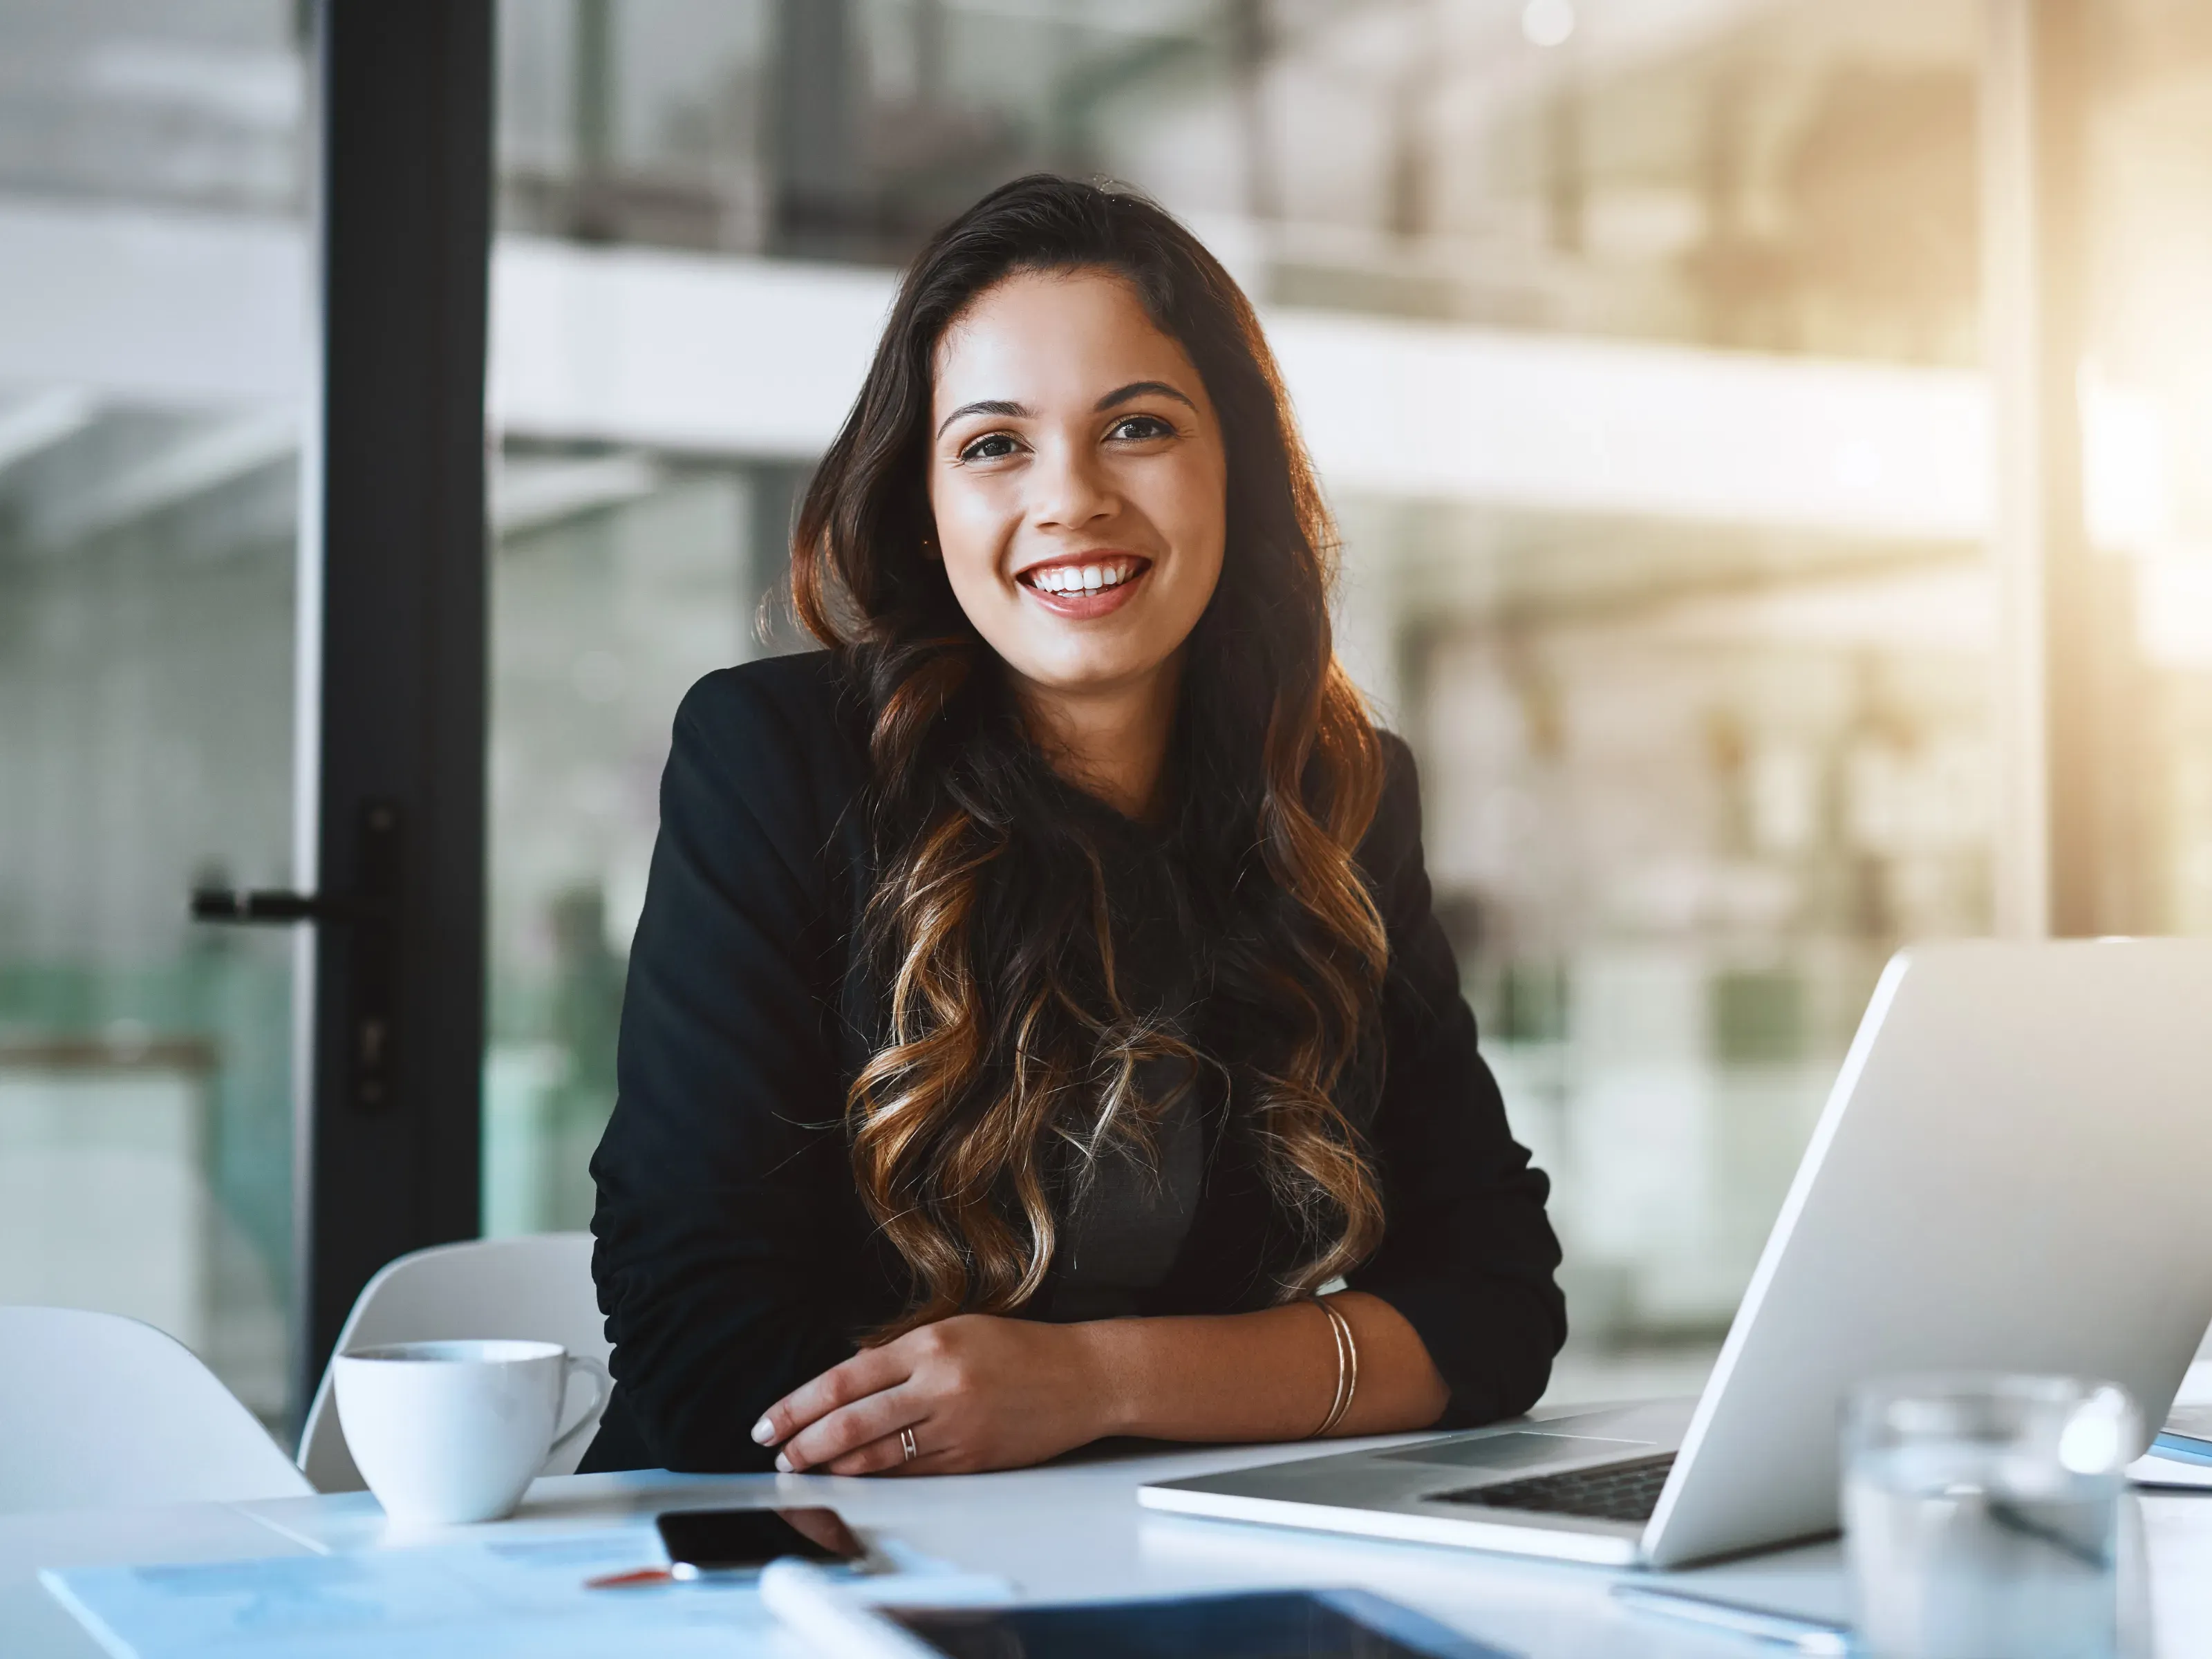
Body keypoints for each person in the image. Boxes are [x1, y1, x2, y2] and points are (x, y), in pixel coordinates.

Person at [581, 174, 1564, 1479]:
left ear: (1238, 472)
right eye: (995, 445)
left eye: (1138, 428)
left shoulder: (1340, 792)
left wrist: (1093, 1382)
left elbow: (1494, 1306)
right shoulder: (773, 759)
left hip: (1174, 1556)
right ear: (926, 512)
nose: (1073, 499)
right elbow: (702, 1349)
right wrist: (1259, 1379)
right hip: (794, 1573)